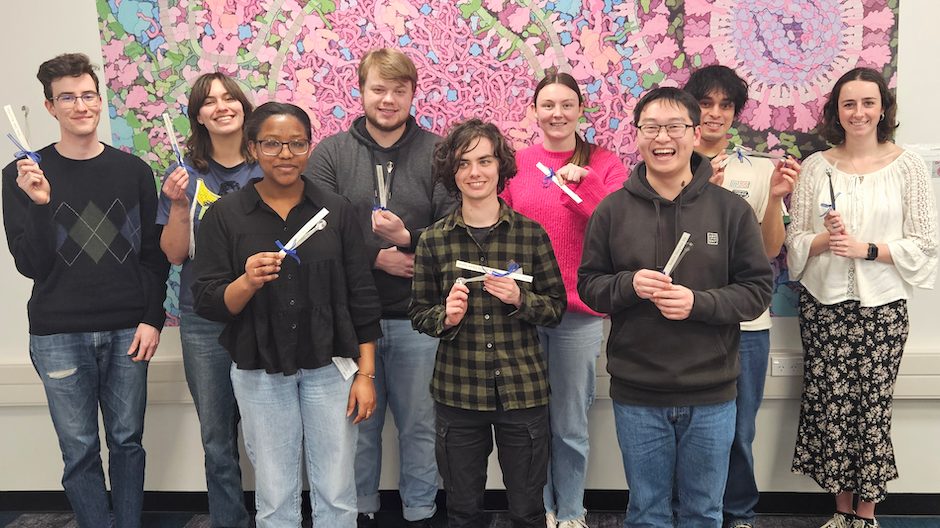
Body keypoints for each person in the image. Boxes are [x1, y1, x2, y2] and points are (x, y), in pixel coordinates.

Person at [577, 87, 773, 528]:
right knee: (646, 513)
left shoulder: (731, 211)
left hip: (712, 393)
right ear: (638, 135)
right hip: (638, 393)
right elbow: (590, 287)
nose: (662, 138)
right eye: (651, 127)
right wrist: (628, 285)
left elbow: (758, 291)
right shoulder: (611, 211)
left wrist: (697, 303)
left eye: (674, 127)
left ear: (695, 132)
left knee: (704, 512)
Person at [191, 102, 383, 528]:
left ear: (309, 147)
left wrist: (365, 375)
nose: (285, 154)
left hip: (332, 366)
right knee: (275, 494)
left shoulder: (335, 210)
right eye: (272, 144)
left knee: (336, 489)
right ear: (253, 148)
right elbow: (207, 299)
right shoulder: (226, 214)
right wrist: (247, 281)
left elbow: (362, 298)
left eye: (296, 143)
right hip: (259, 367)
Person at [1, 53, 169, 528]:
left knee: (128, 442)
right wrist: (38, 204)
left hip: (127, 331)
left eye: (88, 95)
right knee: (78, 451)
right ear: (51, 107)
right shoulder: (22, 175)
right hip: (58, 334)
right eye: (67, 97)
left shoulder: (134, 171)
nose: (80, 105)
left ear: (100, 99)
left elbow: (153, 255)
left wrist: (152, 317)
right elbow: (30, 265)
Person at [305, 47, 455, 528]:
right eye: (378, 89)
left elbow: (457, 227)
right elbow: (316, 229)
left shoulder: (438, 152)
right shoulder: (330, 153)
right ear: (362, 90)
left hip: (420, 317)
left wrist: (409, 240)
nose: (388, 99)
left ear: (413, 94)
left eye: (399, 90)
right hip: (352, 320)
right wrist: (377, 257)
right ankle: (361, 510)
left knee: (419, 424)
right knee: (359, 426)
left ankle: (420, 511)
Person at [786, 67, 939, 528]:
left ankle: (866, 516)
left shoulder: (908, 164)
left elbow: (926, 242)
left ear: (883, 109)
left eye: (867, 103)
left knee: (871, 407)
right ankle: (840, 512)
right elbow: (794, 240)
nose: (858, 112)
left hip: (884, 308)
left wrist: (867, 249)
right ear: (836, 110)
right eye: (848, 104)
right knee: (832, 405)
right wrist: (824, 240)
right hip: (823, 306)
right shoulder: (815, 167)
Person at [410, 119, 566, 528]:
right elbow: (418, 312)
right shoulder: (433, 240)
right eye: (464, 164)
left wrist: (520, 298)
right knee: (462, 511)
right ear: (452, 173)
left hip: (523, 388)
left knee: (528, 510)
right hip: (457, 390)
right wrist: (445, 315)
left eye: (484, 161)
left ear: (500, 168)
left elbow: (556, 307)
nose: (475, 172)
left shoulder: (531, 235)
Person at [501, 72, 627, 528]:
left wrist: (584, 185)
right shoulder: (516, 163)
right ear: (533, 111)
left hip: (577, 313)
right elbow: (494, 225)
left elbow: (614, 229)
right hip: (523, 310)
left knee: (569, 423)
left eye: (566, 105)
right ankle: (542, 508)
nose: (557, 114)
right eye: (547, 105)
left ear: (580, 110)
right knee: (529, 421)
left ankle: (572, 510)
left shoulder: (606, 164)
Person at [682, 64, 801, 528]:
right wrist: (699, 194)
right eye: (705, 103)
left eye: (725, 105)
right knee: (685, 425)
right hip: (684, 317)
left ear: (735, 113)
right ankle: (686, 508)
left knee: (738, 428)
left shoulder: (759, 168)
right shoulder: (668, 161)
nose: (714, 114)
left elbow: (771, 250)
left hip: (748, 323)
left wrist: (773, 199)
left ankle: (737, 513)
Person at [156, 71, 261, 528]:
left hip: (265, 310)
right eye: (209, 100)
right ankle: (230, 522)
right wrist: (180, 207)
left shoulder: (269, 164)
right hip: (204, 319)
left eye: (229, 97)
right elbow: (175, 254)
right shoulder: (184, 174)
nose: (221, 105)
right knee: (217, 435)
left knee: (271, 429)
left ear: (243, 105)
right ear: (197, 115)